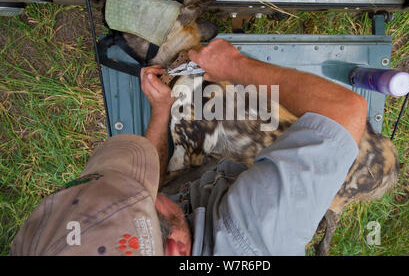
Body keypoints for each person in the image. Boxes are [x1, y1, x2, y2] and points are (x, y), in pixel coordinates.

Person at [11, 39, 367, 256]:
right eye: (145, 196)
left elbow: (156, 186)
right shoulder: (255, 233)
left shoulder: (145, 244)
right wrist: (234, 65)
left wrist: (162, 111)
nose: (149, 186)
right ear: (176, 247)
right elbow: (345, 112)